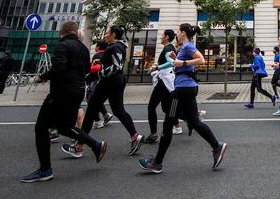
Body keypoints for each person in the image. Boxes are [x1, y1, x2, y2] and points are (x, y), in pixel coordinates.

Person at [19, 21, 107, 183]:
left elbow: (58, 68)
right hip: (79, 90)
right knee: (64, 126)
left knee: (41, 127)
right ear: (75, 32)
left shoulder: (63, 45)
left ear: (62, 32)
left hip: (62, 91)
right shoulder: (83, 48)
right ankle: (95, 144)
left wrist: (42, 77)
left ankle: (45, 169)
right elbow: (86, 69)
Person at [139, 23, 227, 173]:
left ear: (184, 33)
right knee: (194, 121)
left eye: (178, 32)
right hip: (188, 88)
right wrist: (175, 59)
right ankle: (216, 146)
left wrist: (182, 62)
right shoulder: (183, 48)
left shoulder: (188, 47)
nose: (177, 35)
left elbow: (201, 60)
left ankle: (157, 162)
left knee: (168, 123)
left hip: (181, 91)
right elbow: (180, 65)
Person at [66, 25, 144, 158]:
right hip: (116, 81)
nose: (105, 35)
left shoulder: (115, 47)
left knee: (91, 111)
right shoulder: (119, 47)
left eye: (107, 32)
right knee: (118, 110)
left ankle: (79, 146)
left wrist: (99, 74)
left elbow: (116, 66)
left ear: (113, 35)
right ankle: (135, 136)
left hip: (109, 82)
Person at [144, 30, 177, 144]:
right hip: (168, 80)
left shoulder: (168, 48)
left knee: (151, 107)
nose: (160, 37)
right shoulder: (170, 47)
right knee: (168, 107)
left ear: (166, 37)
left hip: (164, 80)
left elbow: (171, 63)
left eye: (162, 35)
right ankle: (189, 120)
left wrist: (156, 68)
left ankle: (153, 135)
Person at [87, 40, 113, 130]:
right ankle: (105, 115)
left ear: (98, 47)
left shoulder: (97, 55)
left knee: (91, 101)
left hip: (95, 80)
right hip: (105, 81)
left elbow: (95, 68)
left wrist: (89, 70)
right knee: (97, 99)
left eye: (96, 46)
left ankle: (98, 121)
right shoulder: (108, 55)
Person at [271, 46, 280, 116]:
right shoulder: (276, 55)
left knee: (273, 82)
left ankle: (277, 95)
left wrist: (276, 65)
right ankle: (276, 95)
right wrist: (274, 65)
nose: (272, 50)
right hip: (277, 70)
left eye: (273, 49)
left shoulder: (278, 55)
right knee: (273, 83)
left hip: (278, 70)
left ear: (276, 50)